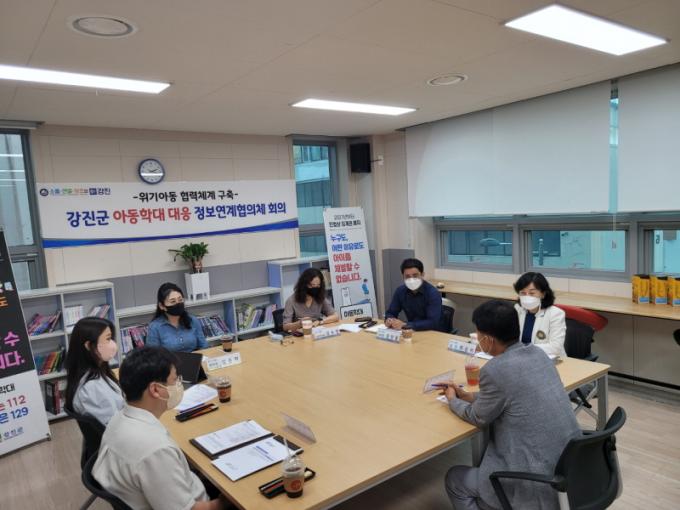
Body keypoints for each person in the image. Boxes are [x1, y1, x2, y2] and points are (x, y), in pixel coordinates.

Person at [442, 300, 581, 510]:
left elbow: (478, 417)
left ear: (488, 340)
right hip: (569, 470)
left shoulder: (494, 370)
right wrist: (469, 396)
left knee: (455, 479)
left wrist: (452, 400)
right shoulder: (538, 354)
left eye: (478, 334)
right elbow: (512, 394)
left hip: (534, 482)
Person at [93, 346, 229, 510]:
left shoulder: (119, 418)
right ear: (155, 390)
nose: (179, 384)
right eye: (175, 380)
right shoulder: (157, 450)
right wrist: (226, 502)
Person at [64, 317, 124, 426]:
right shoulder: (91, 387)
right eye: (108, 339)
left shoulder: (93, 373)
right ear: (88, 345)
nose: (113, 343)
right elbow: (114, 426)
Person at [513, 272, 567, 358]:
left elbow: (555, 347)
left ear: (543, 294)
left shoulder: (556, 314)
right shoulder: (517, 310)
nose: (527, 296)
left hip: (547, 359)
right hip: (521, 358)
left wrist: (525, 349)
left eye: (532, 293)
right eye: (523, 293)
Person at [384, 258, 443, 331]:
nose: (411, 280)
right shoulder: (400, 291)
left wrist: (406, 325)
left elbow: (432, 322)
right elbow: (391, 312)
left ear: (422, 275)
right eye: (407, 276)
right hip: (412, 331)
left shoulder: (432, 293)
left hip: (434, 332)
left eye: (415, 275)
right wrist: (389, 320)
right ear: (403, 277)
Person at [146, 283, 208, 352]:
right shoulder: (155, 327)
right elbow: (153, 355)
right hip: (169, 359)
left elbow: (204, 346)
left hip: (194, 358)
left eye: (180, 300)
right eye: (173, 301)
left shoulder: (192, 320)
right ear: (162, 306)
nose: (178, 303)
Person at [283, 268, 339, 332]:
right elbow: (285, 327)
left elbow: (335, 316)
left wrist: (320, 322)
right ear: (304, 285)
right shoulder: (291, 301)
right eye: (312, 285)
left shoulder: (319, 297)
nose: (315, 288)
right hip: (300, 334)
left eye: (318, 286)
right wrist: (299, 323)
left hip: (317, 332)